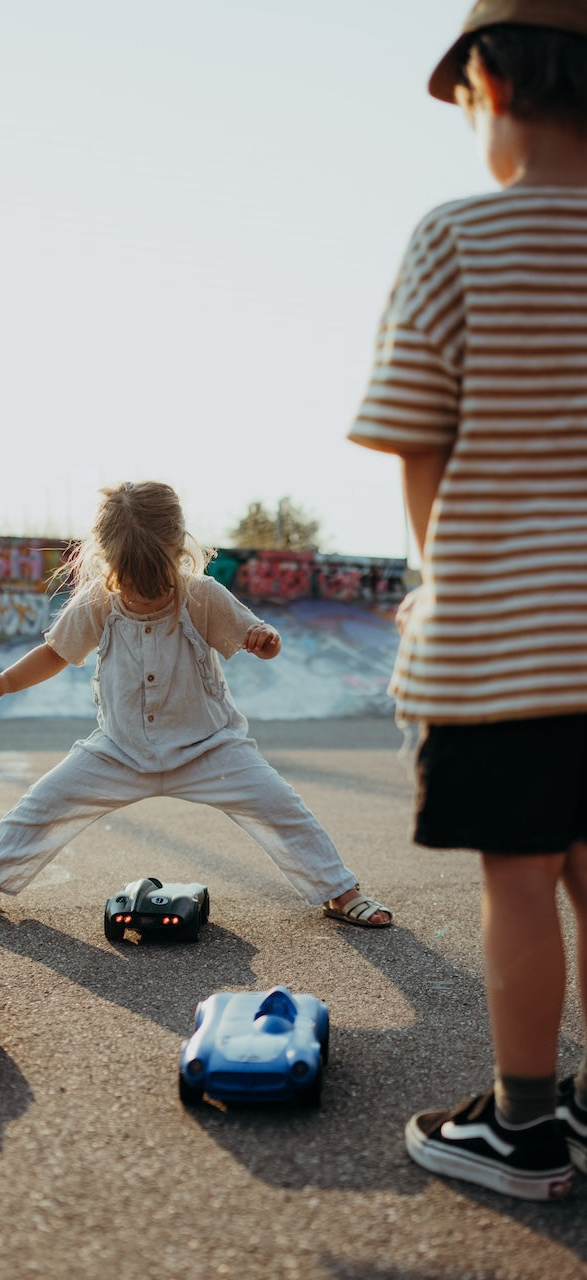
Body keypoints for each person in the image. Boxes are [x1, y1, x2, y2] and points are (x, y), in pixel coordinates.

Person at [349, 0, 587, 1201]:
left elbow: (416, 438)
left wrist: (447, 577)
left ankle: (522, 1127)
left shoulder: (456, 235)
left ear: (485, 85)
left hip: (509, 639)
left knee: (519, 876)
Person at [0, 481, 392, 930]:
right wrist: (4, 681)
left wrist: (266, 641)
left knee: (281, 807)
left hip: (211, 748)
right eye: (129, 578)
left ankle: (339, 890)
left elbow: (260, 638)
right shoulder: (98, 601)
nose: (141, 591)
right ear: (105, 558)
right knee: (41, 805)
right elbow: (55, 653)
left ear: (178, 549)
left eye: (154, 578)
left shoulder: (201, 594)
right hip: (119, 750)